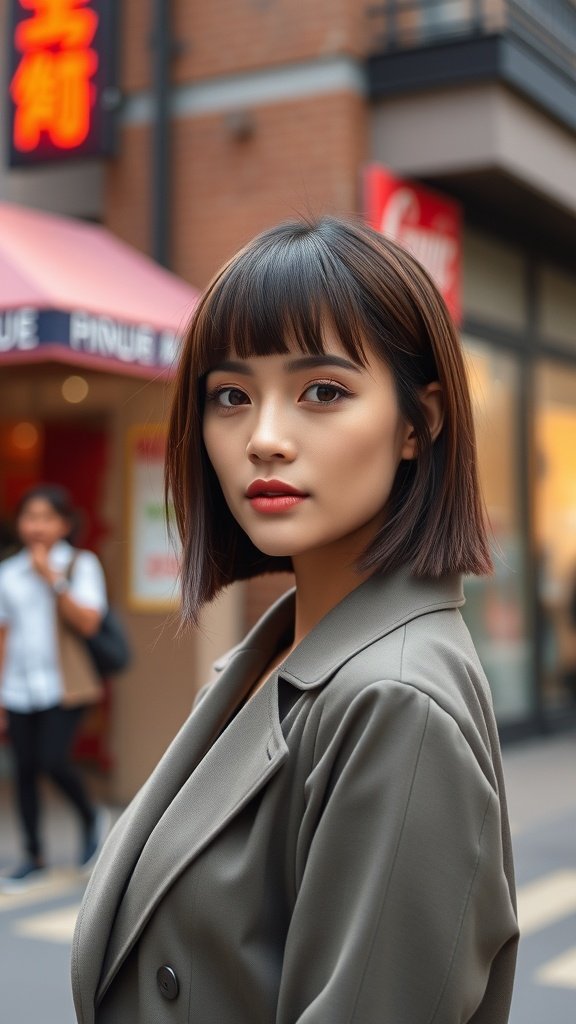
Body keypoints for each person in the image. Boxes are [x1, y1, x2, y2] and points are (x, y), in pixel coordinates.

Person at [72, 218, 518, 1024]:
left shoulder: (397, 702)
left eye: (323, 391)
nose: (265, 440)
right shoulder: (279, 656)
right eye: (231, 397)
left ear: (419, 423)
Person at [0, 484, 109, 890]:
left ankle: (90, 817)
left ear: (64, 524)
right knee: (25, 770)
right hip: (17, 686)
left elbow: (89, 623)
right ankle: (33, 855)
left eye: (47, 517)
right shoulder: (8, 573)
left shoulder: (81, 565)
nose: (38, 526)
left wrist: (53, 580)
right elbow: (3, 634)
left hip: (65, 685)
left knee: (51, 760)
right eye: (30, 517)